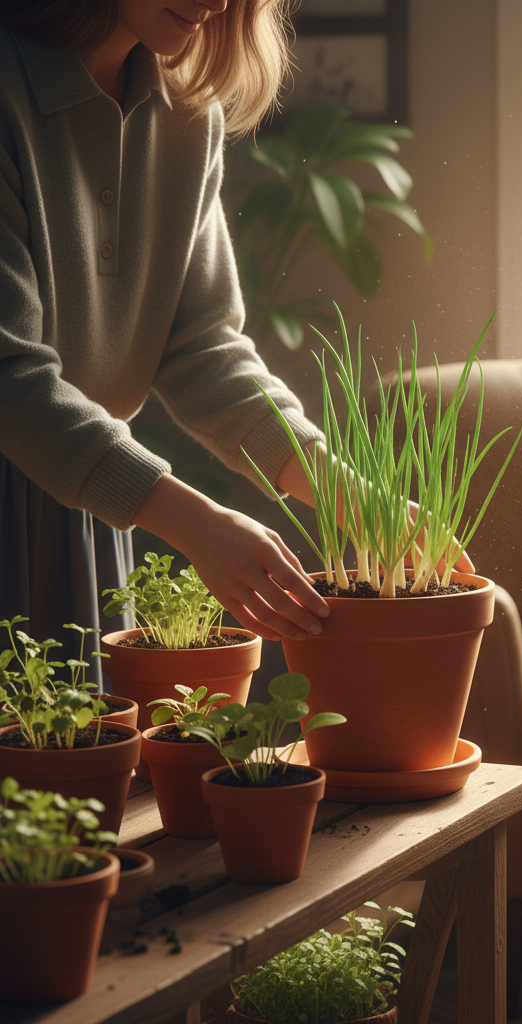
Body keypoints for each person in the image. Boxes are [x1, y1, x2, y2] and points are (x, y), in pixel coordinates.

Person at [0, 0, 459, 657]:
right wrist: (196, 522)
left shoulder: (188, 111)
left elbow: (201, 344)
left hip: (83, 503)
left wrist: (344, 493)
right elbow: (9, 378)